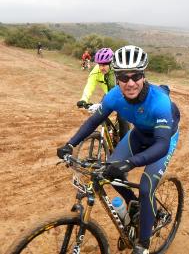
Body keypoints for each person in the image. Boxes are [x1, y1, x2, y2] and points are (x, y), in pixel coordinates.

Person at [57, 45, 180, 254]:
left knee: (146, 188)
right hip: (139, 134)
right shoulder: (114, 96)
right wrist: (71, 143)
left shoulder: (160, 103)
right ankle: (134, 204)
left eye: (136, 76)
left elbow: (161, 145)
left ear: (144, 75)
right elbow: (94, 121)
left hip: (162, 140)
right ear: (117, 76)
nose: (130, 83)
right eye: (123, 77)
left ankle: (143, 245)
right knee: (110, 173)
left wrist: (131, 162)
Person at [77, 47, 129, 139]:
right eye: (100, 65)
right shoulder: (96, 71)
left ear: (111, 63)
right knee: (99, 114)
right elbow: (90, 86)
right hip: (109, 94)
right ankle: (109, 131)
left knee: (122, 118)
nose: (101, 68)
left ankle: (126, 144)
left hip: (123, 96)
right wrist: (83, 99)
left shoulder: (118, 71)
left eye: (104, 65)